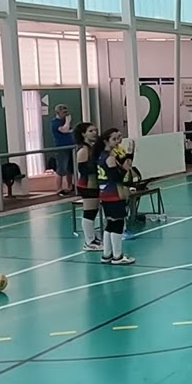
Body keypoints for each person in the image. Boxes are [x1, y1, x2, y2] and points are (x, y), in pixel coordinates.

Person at [96, 128, 135, 265]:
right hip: (113, 192)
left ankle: (106, 254)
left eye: (119, 137)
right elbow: (116, 178)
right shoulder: (110, 158)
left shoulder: (101, 155)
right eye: (114, 139)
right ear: (106, 140)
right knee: (117, 223)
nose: (118, 141)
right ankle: (117, 256)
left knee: (110, 223)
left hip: (104, 193)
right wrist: (124, 168)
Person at [72, 122, 102, 251]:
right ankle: (89, 241)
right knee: (89, 212)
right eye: (91, 131)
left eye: (95, 130)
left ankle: (93, 238)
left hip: (94, 183)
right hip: (87, 184)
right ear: (83, 134)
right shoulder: (83, 150)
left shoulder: (93, 148)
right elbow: (84, 170)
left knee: (94, 211)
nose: (94, 133)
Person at [49, 104, 74, 196]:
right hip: (61, 148)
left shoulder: (64, 121)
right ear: (58, 112)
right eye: (64, 112)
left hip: (70, 147)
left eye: (66, 112)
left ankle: (70, 186)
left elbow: (69, 130)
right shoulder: (55, 122)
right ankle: (59, 189)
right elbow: (64, 130)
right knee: (61, 168)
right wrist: (67, 121)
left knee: (70, 169)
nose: (66, 114)